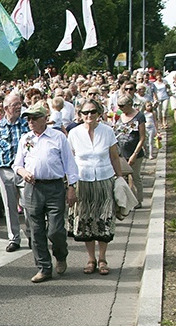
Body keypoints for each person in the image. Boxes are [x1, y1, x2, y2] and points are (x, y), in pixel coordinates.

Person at [12, 102, 79, 283]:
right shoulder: (25, 139)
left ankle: (61, 254)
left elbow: (69, 163)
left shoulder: (57, 137)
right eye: (28, 119)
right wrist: (23, 172)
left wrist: (72, 186)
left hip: (54, 187)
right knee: (35, 231)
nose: (30, 122)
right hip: (33, 188)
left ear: (44, 119)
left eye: (34, 118)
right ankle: (44, 267)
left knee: (55, 230)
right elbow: (17, 164)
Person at [67, 99, 123, 276]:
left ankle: (102, 258)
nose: (89, 115)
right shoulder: (74, 133)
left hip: (104, 180)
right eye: (85, 113)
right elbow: (70, 161)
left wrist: (120, 178)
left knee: (104, 218)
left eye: (92, 112)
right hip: (83, 182)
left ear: (99, 113)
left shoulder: (107, 131)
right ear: (80, 115)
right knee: (86, 220)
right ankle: (91, 259)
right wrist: (70, 185)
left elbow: (114, 157)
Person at [0, 93, 30, 252]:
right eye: (15, 104)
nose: (19, 107)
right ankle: (14, 238)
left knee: (28, 205)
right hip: (5, 171)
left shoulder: (26, 125)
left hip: (25, 171)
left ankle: (32, 235)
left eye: (20, 103)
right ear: (5, 108)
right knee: (9, 207)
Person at [114, 94, 146, 208]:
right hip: (121, 151)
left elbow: (142, 137)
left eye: (122, 106)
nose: (120, 108)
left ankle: (138, 200)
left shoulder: (139, 116)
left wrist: (135, 154)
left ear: (129, 104)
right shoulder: (119, 115)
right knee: (123, 177)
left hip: (134, 152)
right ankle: (127, 200)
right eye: (119, 106)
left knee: (135, 176)